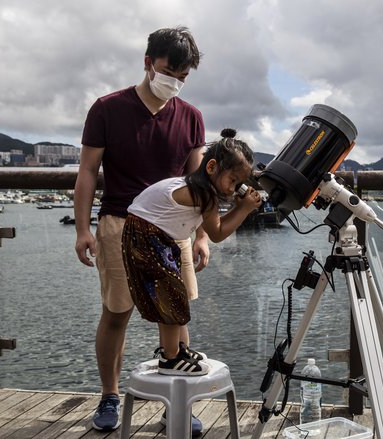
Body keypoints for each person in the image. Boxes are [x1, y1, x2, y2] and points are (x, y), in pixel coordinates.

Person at [74, 27, 208, 433]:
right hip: (119, 223)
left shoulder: (192, 117)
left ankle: (176, 403)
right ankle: (110, 396)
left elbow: (199, 183)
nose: (175, 82)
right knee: (117, 313)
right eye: (170, 71)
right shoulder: (107, 108)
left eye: (184, 77)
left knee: (176, 313)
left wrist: (202, 235)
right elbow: (86, 172)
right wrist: (83, 229)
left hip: (174, 231)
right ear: (148, 61)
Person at [122, 129, 262, 375]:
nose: (234, 189)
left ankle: (176, 349)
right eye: (233, 180)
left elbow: (214, 225)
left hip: (148, 235)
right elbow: (217, 233)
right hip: (148, 237)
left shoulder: (197, 186)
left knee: (172, 297)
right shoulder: (205, 195)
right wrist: (244, 210)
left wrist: (239, 206)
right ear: (211, 167)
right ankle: (171, 358)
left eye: (239, 184)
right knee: (170, 299)